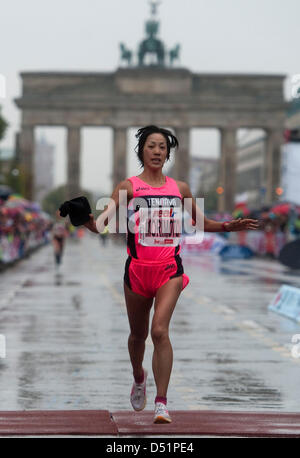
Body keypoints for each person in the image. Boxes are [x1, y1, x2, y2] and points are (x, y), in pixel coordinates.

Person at [83, 125, 259, 423]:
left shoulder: (181, 188)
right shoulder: (128, 187)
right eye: (151, 146)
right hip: (137, 272)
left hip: (169, 270)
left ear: (168, 153)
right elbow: (102, 225)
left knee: (159, 331)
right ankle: (139, 376)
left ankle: (162, 402)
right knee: (138, 336)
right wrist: (82, 217)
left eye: (162, 147)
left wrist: (229, 226)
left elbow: (201, 223)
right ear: (142, 151)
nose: (157, 151)